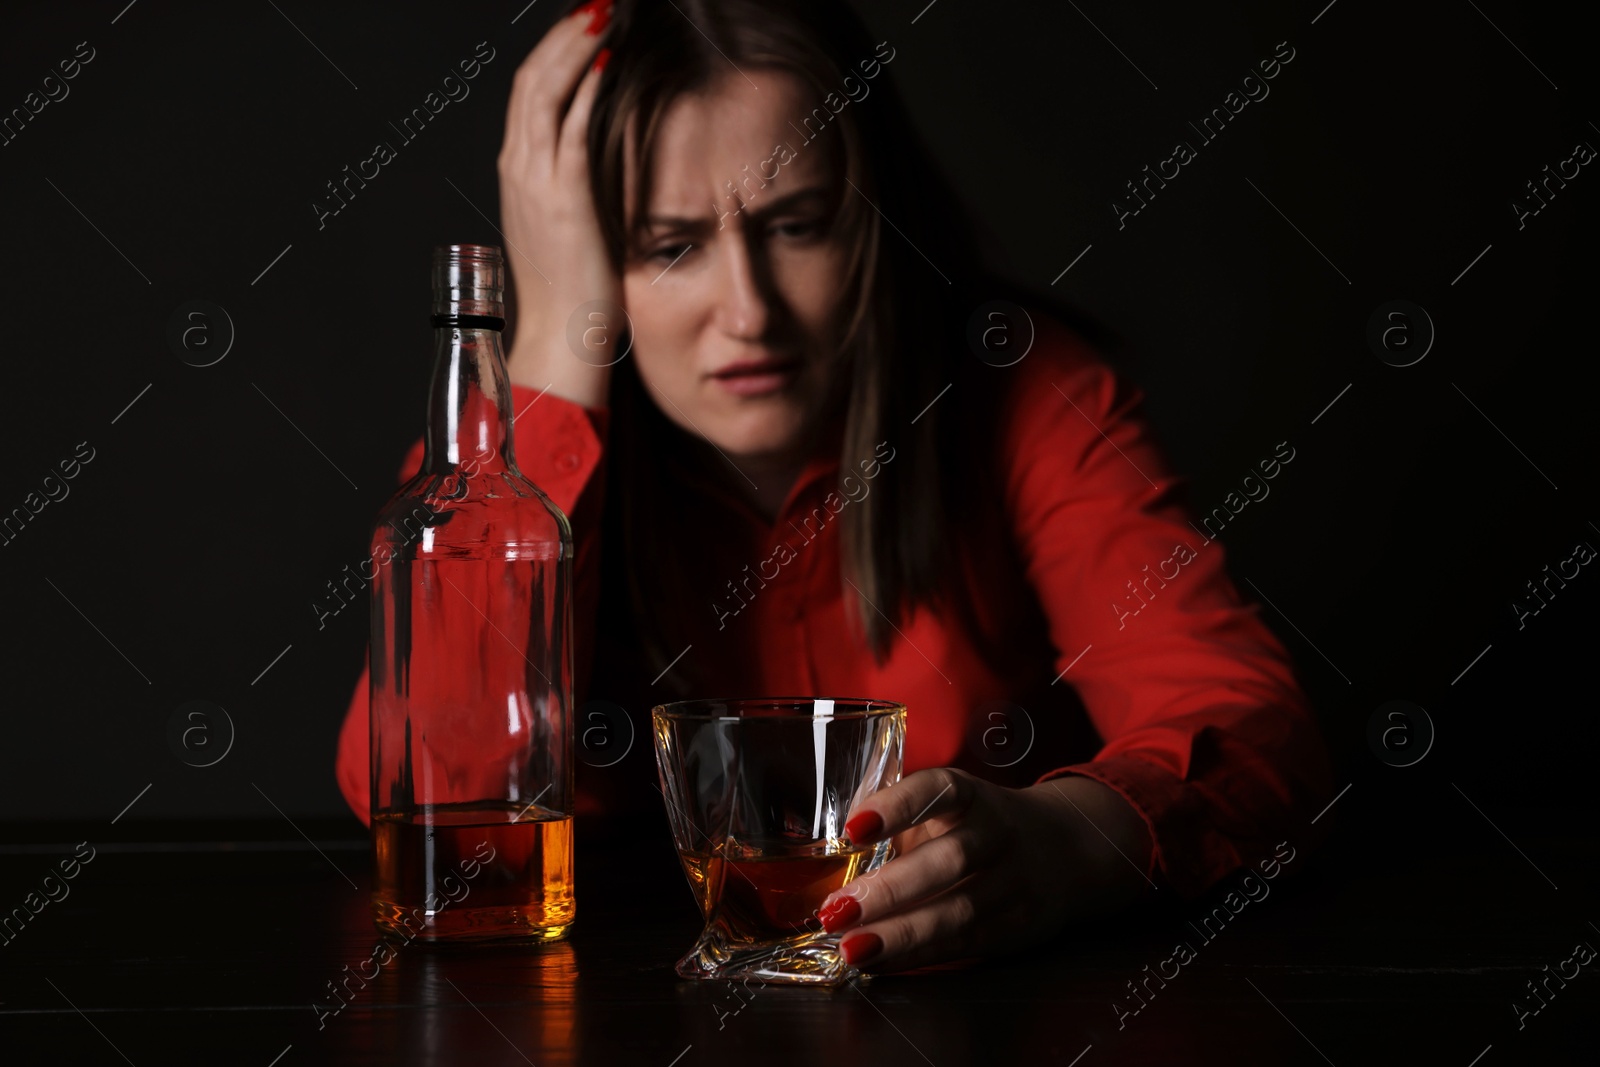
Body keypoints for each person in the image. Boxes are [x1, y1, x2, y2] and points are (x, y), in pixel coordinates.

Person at [335, 0, 1334, 975]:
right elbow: (440, 792)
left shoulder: (1023, 390)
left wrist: (1069, 844)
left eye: (798, 225)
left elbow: (1251, 729)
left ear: (875, 223)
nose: (749, 311)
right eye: (669, 246)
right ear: (590, 261)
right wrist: (553, 343)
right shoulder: (520, 455)